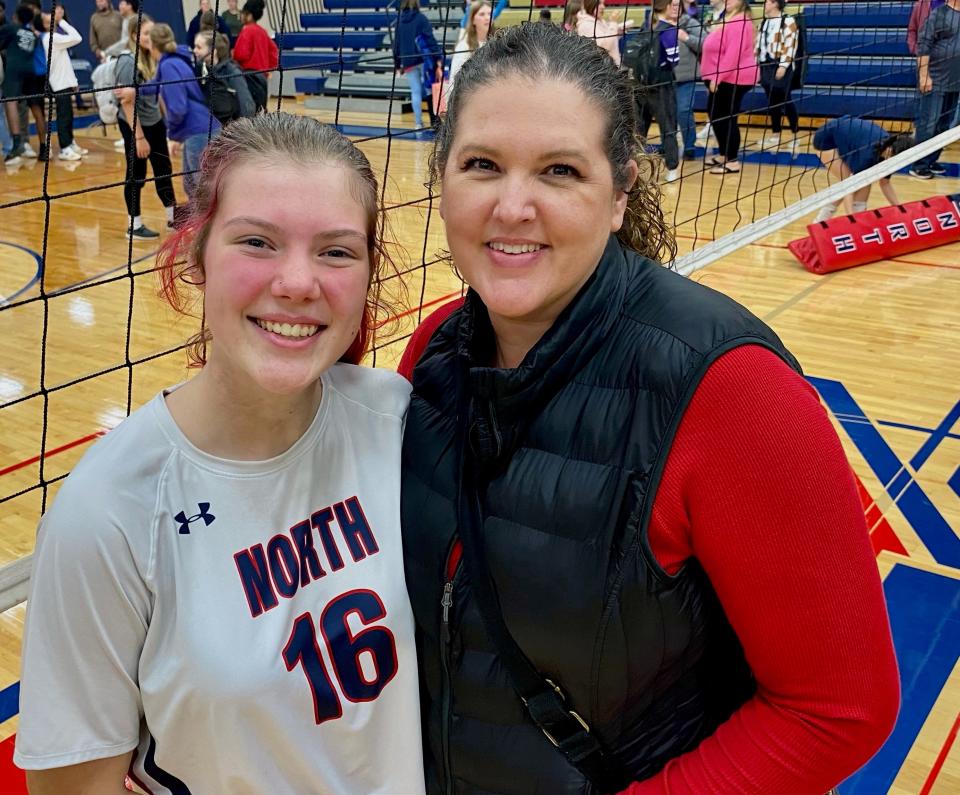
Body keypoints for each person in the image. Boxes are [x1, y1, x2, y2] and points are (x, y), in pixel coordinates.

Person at [398, 22, 899, 795]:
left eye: (560, 170)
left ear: (621, 190)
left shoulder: (731, 392)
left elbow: (837, 708)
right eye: (481, 165)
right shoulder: (429, 353)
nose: (513, 204)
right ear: (442, 177)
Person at [14, 112, 425, 794]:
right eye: (257, 241)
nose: (297, 281)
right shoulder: (109, 511)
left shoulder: (397, 417)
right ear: (197, 253)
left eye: (336, 251)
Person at [113, 14, 177, 239]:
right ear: (134, 35)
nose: (150, 38)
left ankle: (173, 218)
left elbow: (157, 92)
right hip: (134, 125)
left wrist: (166, 124)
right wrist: (139, 137)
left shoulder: (153, 57)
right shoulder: (127, 61)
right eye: (146, 33)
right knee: (136, 173)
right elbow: (127, 102)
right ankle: (134, 225)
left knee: (163, 169)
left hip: (154, 122)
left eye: (152, 32)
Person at [145, 23, 220, 197]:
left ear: (152, 45)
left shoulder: (168, 65)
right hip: (201, 129)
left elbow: (178, 108)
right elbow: (155, 85)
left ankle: (209, 224)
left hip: (198, 131)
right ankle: (200, 223)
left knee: (201, 188)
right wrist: (134, 90)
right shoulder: (175, 60)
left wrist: (173, 135)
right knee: (192, 186)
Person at [812, 115, 913, 222]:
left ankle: (859, 220)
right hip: (826, 139)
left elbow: (885, 183)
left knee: (864, 180)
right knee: (848, 182)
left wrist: (900, 209)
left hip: (849, 133)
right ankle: (820, 221)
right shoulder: (867, 156)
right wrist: (851, 218)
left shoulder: (890, 151)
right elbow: (848, 188)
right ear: (890, 151)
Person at [700, 0, 758, 174]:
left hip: (733, 78)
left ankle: (732, 161)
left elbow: (733, 54)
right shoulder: (730, 18)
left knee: (726, 117)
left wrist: (717, 78)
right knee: (715, 113)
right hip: (726, 77)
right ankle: (725, 154)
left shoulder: (740, 21)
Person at [635, 0, 682, 183]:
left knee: (639, 131)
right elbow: (674, 58)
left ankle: (635, 167)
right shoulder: (669, 29)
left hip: (640, 85)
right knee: (668, 128)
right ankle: (672, 168)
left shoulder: (646, 26)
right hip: (662, 84)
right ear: (668, 7)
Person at [913, 0, 960, 178]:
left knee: (944, 125)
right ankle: (919, 164)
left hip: (955, 82)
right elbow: (923, 45)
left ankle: (931, 160)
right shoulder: (938, 14)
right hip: (936, 79)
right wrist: (924, 75)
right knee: (929, 123)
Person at [38, 5, 84, 161]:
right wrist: (62, 21)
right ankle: (65, 148)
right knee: (64, 116)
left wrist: (73, 81)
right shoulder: (52, 38)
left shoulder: (53, 37)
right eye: (48, 19)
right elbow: (77, 37)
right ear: (43, 24)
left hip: (64, 81)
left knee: (68, 115)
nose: (52, 19)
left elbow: (64, 62)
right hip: (58, 83)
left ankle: (70, 143)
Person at [0, 3, 45, 164]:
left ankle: (17, 145)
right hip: (30, 72)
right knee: (36, 107)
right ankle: (44, 147)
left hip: (14, 71)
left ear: (16, 17)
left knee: (10, 102)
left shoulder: (10, 28)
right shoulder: (32, 34)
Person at [756, 0, 800, 153]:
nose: (765, 4)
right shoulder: (765, 22)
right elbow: (759, 45)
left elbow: (791, 45)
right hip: (766, 66)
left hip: (780, 65)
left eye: (767, 2)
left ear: (775, 3)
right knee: (772, 101)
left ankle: (795, 134)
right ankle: (775, 134)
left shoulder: (788, 21)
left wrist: (783, 65)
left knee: (785, 99)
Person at [393, 0, 440, 132]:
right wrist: (438, 57)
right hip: (423, 59)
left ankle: (418, 124)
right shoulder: (421, 19)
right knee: (430, 90)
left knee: (415, 92)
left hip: (407, 61)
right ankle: (434, 123)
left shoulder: (399, 21)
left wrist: (397, 64)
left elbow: (396, 44)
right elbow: (430, 39)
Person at [193, 29, 256, 124]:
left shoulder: (232, 72)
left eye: (199, 47)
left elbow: (247, 107)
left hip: (230, 130)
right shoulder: (201, 69)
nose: (194, 50)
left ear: (213, 51)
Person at [233, 0, 278, 112]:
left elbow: (241, 55)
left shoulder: (247, 31)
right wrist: (268, 69)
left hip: (249, 77)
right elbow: (274, 52)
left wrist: (233, 54)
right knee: (261, 110)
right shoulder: (262, 31)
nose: (241, 17)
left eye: (243, 14)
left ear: (249, 15)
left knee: (250, 111)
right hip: (262, 76)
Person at [674, 4, 703, 161]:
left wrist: (686, 38)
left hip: (686, 77)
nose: (673, 7)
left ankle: (690, 146)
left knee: (683, 111)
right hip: (664, 77)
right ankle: (668, 146)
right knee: (667, 114)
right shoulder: (657, 24)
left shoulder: (690, 23)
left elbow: (705, 44)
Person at [449, 1, 491, 88]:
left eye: (489, 14)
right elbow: (454, 82)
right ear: (473, 20)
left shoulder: (495, 42)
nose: (487, 18)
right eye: (482, 14)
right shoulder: (464, 46)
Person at [576, 0, 630, 66]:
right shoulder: (586, 25)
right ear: (590, 4)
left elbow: (609, 39)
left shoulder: (599, 20)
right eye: (599, 3)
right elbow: (605, 47)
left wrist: (618, 31)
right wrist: (613, 22)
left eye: (603, 4)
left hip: (611, 67)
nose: (603, 7)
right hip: (603, 69)